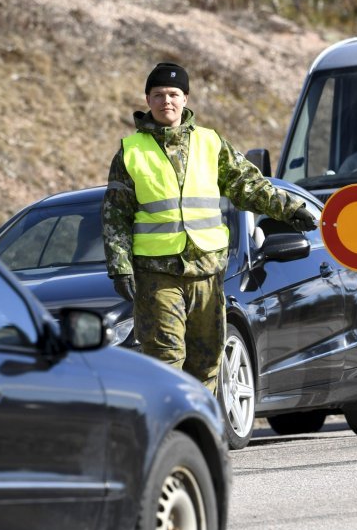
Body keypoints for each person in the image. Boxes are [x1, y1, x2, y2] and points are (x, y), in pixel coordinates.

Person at [102, 62, 317, 392]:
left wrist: (291, 210)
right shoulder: (131, 152)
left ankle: (203, 433)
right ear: (147, 100)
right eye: (158, 95)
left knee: (207, 357)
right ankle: (171, 430)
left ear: (186, 98)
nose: (166, 102)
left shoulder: (210, 143)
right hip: (158, 273)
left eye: (173, 94)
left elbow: (249, 186)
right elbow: (116, 216)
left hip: (206, 270)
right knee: (165, 357)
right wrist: (120, 268)